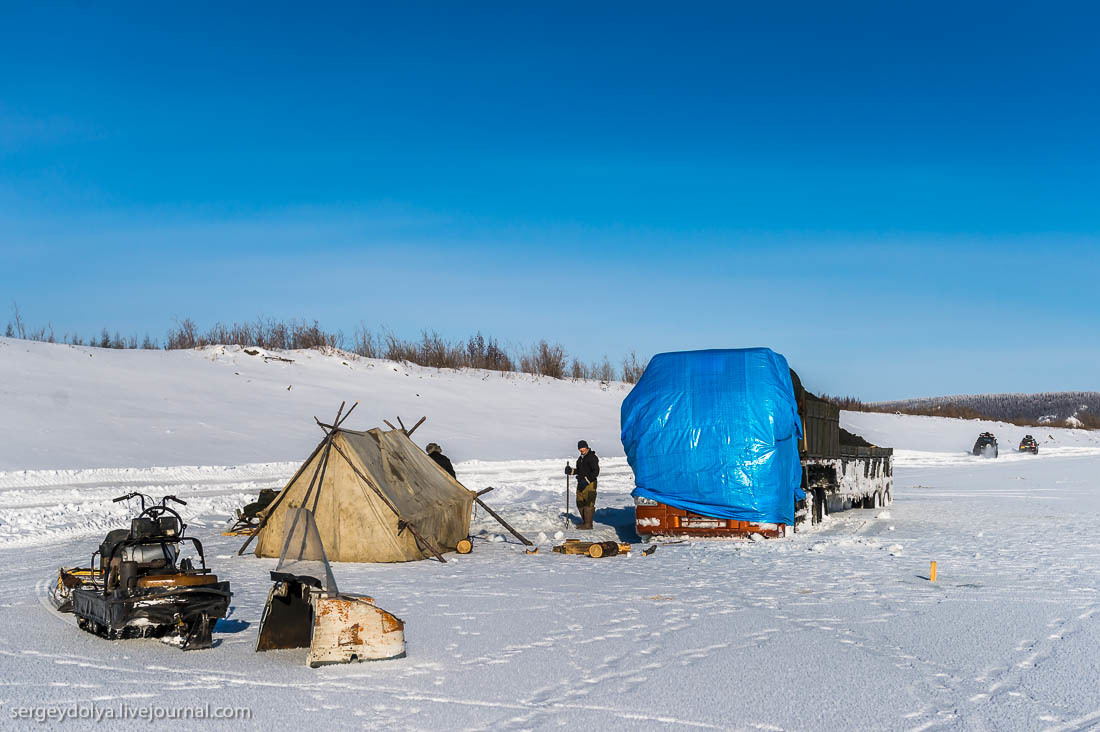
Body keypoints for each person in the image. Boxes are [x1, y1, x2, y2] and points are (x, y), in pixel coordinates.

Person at [565, 440, 599, 530]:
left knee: (588, 502)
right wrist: (571, 471)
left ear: (586, 447)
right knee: (579, 502)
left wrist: (586, 480)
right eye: (580, 448)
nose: (581, 449)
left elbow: (596, 472)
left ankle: (588, 524)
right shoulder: (580, 459)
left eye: (583, 447)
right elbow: (579, 471)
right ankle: (585, 522)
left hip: (590, 484)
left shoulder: (592, 457)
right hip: (580, 483)